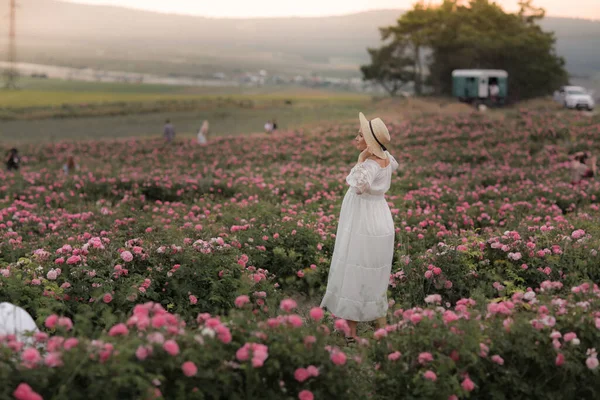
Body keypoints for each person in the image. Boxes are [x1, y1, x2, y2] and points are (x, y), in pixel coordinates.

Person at [320, 112, 399, 344]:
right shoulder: (385, 158)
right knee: (374, 271)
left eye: (360, 135)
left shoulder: (371, 164)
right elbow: (390, 164)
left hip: (364, 220)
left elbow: (357, 186)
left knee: (356, 268)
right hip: (379, 217)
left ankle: (351, 333)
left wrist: (360, 159)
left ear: (369, 142)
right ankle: (380, 326)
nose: (356, 138)